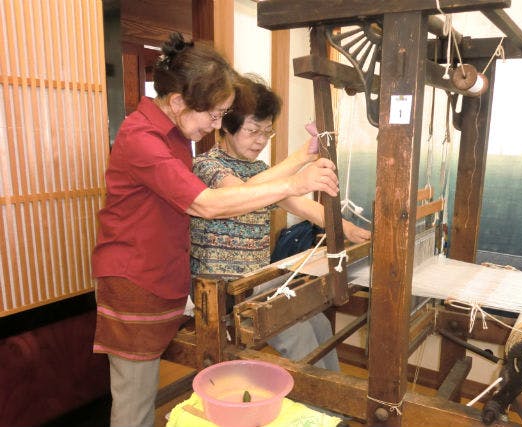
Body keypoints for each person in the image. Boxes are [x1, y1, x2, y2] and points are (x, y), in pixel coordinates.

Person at [91, 33, 339, 427]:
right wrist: (295, 178)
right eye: (215, 114)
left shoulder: (173, 136)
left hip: (164, 276)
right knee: (135, 401)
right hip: (135, 281)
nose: (217, 124)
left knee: (143, 394)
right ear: (177, 102)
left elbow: (246, 192)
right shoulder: (142, 139)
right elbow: (205, 203)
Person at [190, 74, 371, 371]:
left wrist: (350, 230)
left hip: (255, 284)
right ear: (225, 125)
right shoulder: (206, 166)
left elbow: (303, 206)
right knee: (300, 339)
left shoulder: (262, 170)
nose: (261, 140)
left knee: (320, 326)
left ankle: (332, 408)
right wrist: (299, 159)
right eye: (252, 131)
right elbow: (238, 194)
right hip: (222, 292)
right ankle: (320, 408)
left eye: (267, 132)